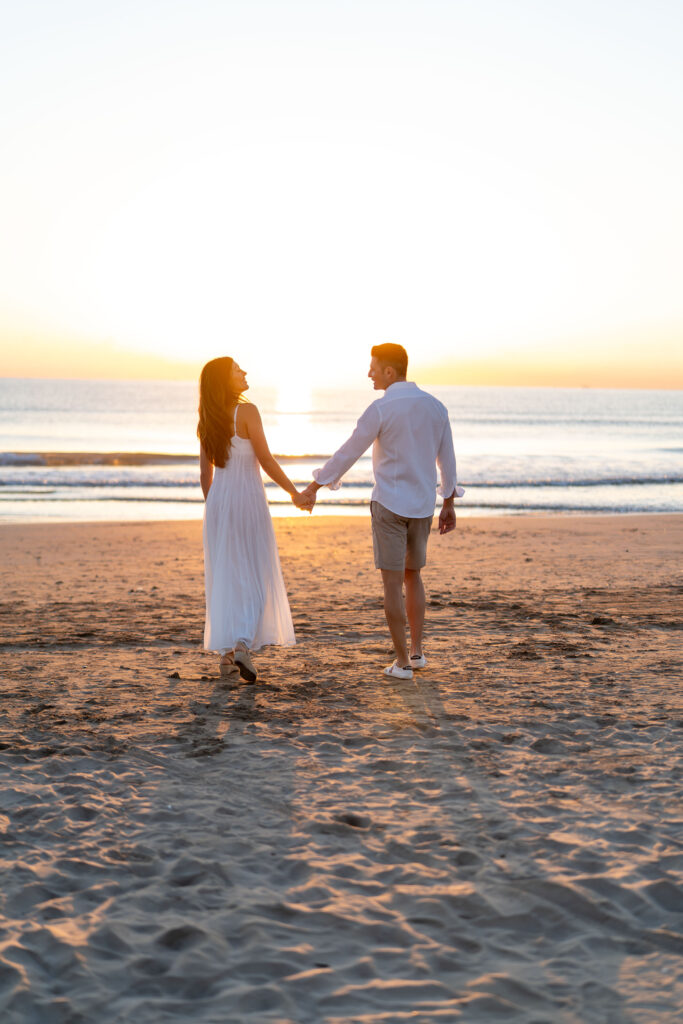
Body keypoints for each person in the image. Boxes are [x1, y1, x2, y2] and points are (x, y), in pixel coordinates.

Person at [302, 343, 463, 680]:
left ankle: (402, 663)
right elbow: (446, 460)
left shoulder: (381, 408)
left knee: (392, 584)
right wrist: (448, 502)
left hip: (389, 504)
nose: (369, 373)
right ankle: (417, 654)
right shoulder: (436, 408)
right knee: (413, 575)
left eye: (373, 367)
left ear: (390, 371)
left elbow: (349, 452)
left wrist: (316, 485)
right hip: (422, 506)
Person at [198, 357, 312, 681]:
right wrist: (294, 493)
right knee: (255, 573)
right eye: (237, 369)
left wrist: (217, 508)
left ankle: (226, 657)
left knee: (225, 577)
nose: (244, 372)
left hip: (219, 503)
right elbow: (265, 459)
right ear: (224, 380)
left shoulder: (207, 417)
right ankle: (242, 645)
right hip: (247, 500)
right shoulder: (247, 411)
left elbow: (205, 474)